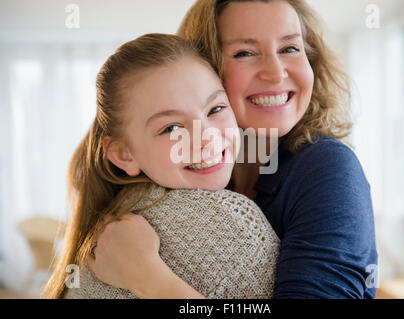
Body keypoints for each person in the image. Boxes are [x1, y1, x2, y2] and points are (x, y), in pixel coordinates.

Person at [86, 0, 379, 299]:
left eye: (290, 48)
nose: (276, 73)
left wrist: (148, 278)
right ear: (207, 67)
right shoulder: (179, 190)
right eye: (245, 53)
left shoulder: (326, 167)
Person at [42, 33, 280, 299]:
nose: (206, 137)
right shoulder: (230, 222)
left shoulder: (122, 211)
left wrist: (150, 279)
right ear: (124, 154)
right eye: (172, 128)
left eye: (215, 109)